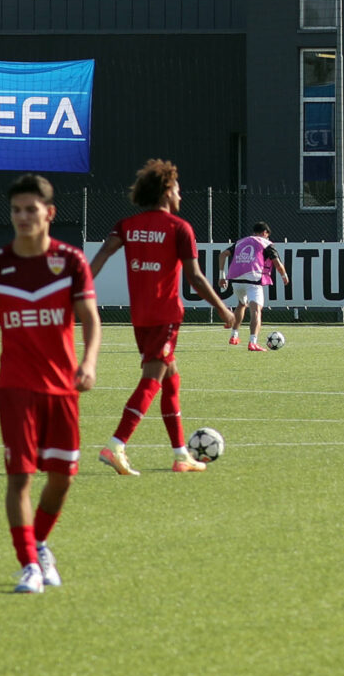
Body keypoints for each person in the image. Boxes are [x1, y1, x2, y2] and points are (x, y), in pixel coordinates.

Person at [0, 173, 100, 594]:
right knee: (20, 478)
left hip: (62, 388)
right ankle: (28, 564)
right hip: (16, 388)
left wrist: (89, 361)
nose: (23, 217)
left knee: (62, 477)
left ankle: (39, 541)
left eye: (31, 209)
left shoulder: (71, 262)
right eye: (16, 210)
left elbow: (91, 319)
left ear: (49, 213)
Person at [91, 159, 235, 475]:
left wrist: (79, 288)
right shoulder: (179, 228)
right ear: (168, 190)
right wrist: (223, 309)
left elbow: (102, 255)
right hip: (166, 315)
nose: (181, 195)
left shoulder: (126, 225)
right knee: (152, 382)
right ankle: (116, 445)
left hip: (141, 317)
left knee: (171, 380)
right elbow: (195, 278)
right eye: (178, 189)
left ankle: (181, 455)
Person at [217, 221, 289, 350]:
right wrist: (284, 276)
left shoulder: (240, 242)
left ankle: (234, 336)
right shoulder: (266, 243)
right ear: (264, 233)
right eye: (267, 235)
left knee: (241, 304)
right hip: (253, 280)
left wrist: (222, 276)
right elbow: (277, 263)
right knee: (255, 310)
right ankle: (253, 342)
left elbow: (223, 255)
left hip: (237, 280)